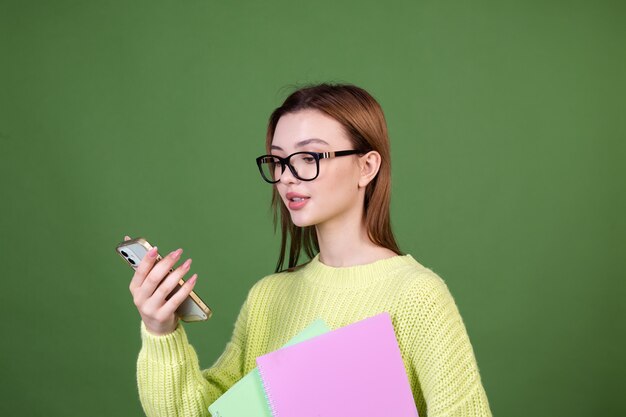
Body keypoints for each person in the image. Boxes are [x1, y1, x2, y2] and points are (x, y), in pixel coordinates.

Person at [127, 83, 492, 416]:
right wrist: (160, 330)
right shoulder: (268, 298)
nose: (286, 176)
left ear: (366, 167)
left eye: (309, 157)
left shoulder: (417, 296)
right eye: (279, 159)